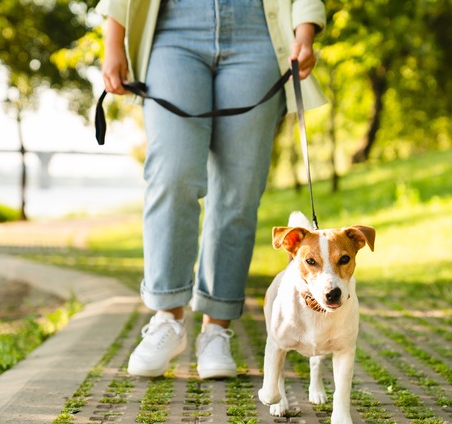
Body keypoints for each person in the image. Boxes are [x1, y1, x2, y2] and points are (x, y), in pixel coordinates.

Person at [97, 0, 327, 379]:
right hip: (174, 31)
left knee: (239, 190)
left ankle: (216, 328)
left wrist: (304, 31)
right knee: (171, 174)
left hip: (258, 33)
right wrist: (113, 41)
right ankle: (166, 318)